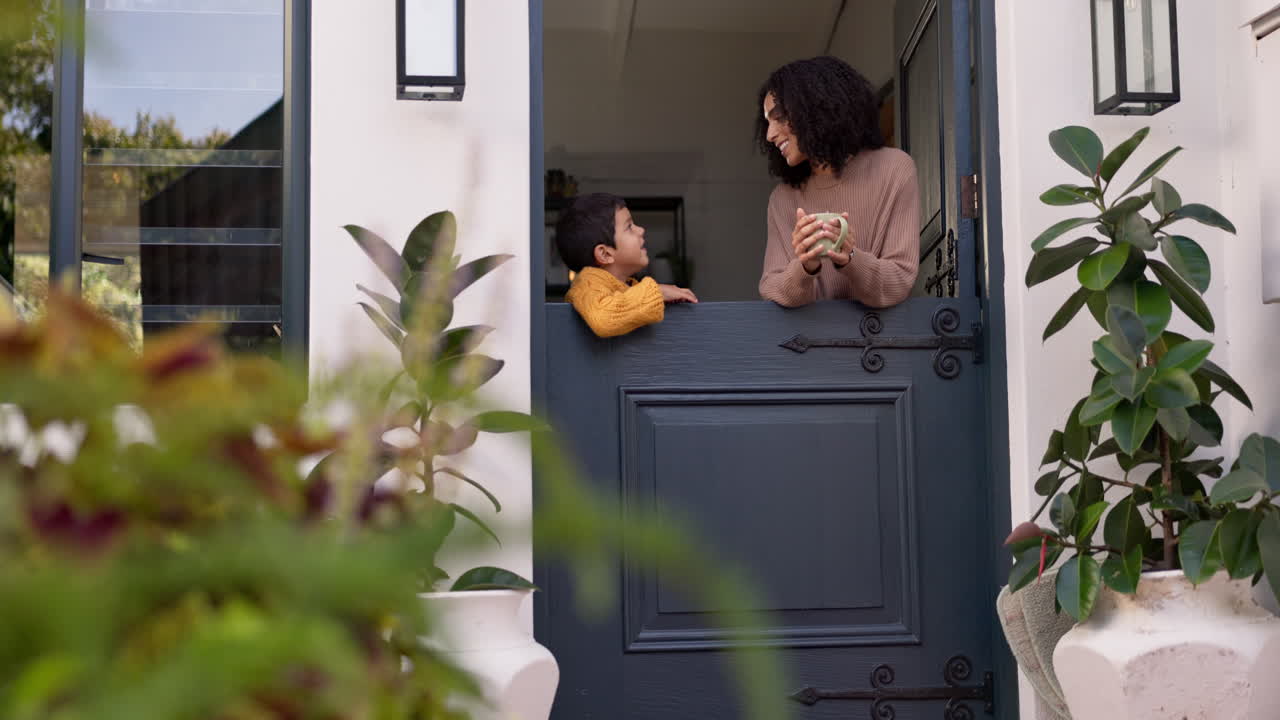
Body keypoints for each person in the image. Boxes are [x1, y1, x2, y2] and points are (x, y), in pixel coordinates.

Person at [756, 56, 920, 308]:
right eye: (767, 122)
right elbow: (772, 290)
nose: (769, 134)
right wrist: (805, 266)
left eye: (778, 117)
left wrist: (849, 258)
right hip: (807, 345)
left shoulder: (895, 168)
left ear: (813, 108)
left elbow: (899, 281)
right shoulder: (783, 198)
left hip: (881, 344)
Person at [555, 193, 698, 338]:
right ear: (605, 254)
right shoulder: (587, 285)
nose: (641, 230)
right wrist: (659, 293)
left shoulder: (626, 286)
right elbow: (603, 318)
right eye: (629, 227)